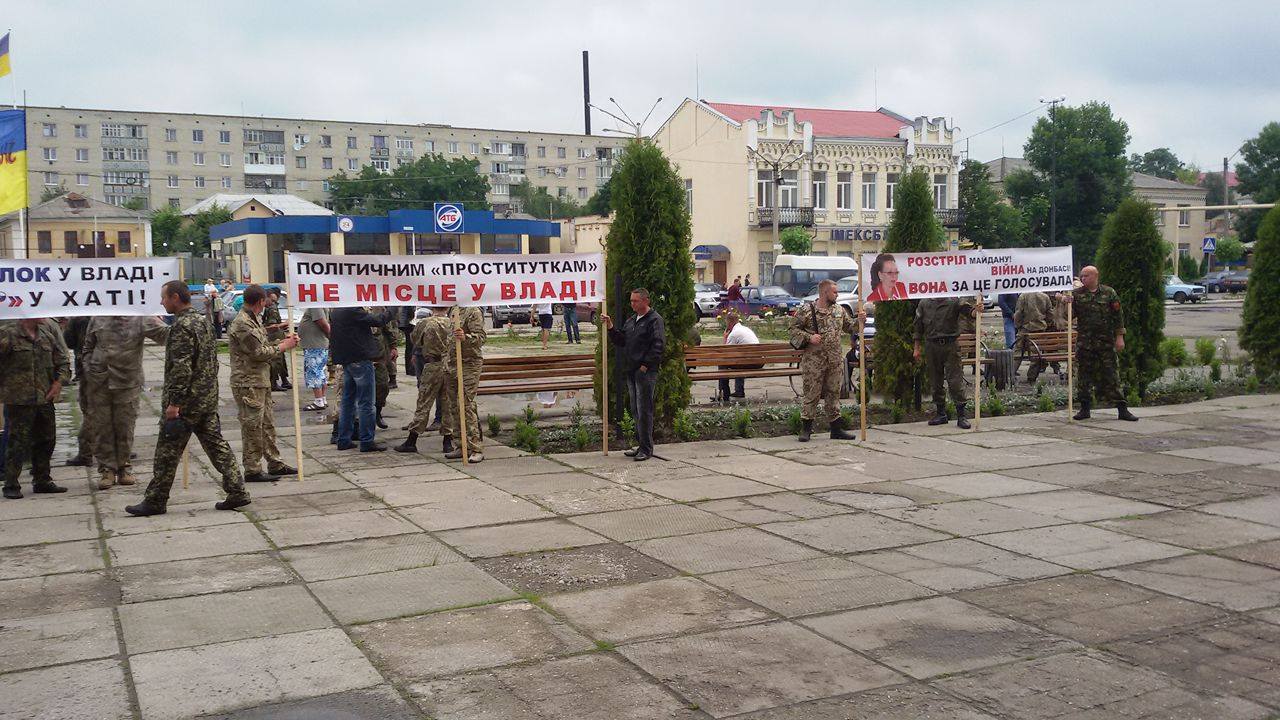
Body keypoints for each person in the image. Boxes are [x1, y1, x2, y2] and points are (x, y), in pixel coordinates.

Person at [128, 281, 250, 516]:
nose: (162, 302)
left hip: (186, 403)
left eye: (164, 298)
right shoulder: (202, 322)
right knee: (217, 446)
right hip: (206, 398)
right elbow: (210, 360)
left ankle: (155, 500)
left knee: (166, 452)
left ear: (175, 297)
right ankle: (237, 490)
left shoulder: (181, 326)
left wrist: (174, 403)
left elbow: (181, 368)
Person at [81, 315, 169, 489]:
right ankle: (107, 469)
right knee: (101, 426)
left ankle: (123, 468)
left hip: (128, 381)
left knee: (125, 426)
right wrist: (89, 369)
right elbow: (87, 347)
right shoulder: (98, 318)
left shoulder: (140, 318)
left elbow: (167, 336)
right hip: (100, 382)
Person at [228, 285, 300, 482]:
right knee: (252, 426)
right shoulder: (242, 323)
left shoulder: (254, 319)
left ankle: (274, 463)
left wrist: (281, 341)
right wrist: (284, 347)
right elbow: (258, 353)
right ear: (261, 301)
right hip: (247, 383)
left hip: (260, 381)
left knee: (267, 424)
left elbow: (263, 345)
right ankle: (252, 469)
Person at [0, 317, 71, 499]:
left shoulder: (46, 335)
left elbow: (62, 361)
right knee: (17, 442)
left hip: (44, 397)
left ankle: (42, 480)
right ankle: (11, 484)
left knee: (47, 439)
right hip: (19, 399)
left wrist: (58, 383)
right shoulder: (8, 333)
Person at [789, 279, 860, 442]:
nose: (837, 294)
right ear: (824, 292)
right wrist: (809, 337)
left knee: (833, 394)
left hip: (834, 360)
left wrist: (860, 321)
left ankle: (836, 429)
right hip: (814, 361)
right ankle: (806, 428)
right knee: (811, 394)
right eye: (834, 292)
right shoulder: (807, 310)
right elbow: (792, 330)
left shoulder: (839, 310)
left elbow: (849, 327)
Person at [1065, 266, 1138, 422]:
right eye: (1081, 276)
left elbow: (1118, 316)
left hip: (1105, 342)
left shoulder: (1108, 293)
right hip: (1085, 343)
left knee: (1112, 375)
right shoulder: (1077, 295)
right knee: (1084, 376)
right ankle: (1084, 409)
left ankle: (1122, 409)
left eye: (1085, 276)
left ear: (1095, 276)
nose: (1082, 278)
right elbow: (1067, 318)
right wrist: (1066, 304)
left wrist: (1120, 337)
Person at [602, 289, 665, 461]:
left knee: (644, 410)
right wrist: (610, 327)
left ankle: (646, 448)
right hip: (631, 371)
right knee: (636, 410)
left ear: (646, 301)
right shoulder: (631, 321)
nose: (632, 304)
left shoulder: (654, 320)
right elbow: (621, 340)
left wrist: (645, 366)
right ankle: (640, 445)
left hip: (645, 373)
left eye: (636, 301)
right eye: (631, 301)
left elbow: (658, 346)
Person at [914, 296, 983, 428]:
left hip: (950, 345)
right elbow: (918, 326)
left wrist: (977, 311)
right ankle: (941, 413)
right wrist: (916, 348)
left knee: (955, 380)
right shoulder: (924, 303)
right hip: (931, 345)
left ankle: (961, 415)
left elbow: (969, 312)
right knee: (935, 381)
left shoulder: (953, 301)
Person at [330, 306, 390, 452]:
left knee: (348, 401)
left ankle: (343, 439)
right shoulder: (352, 309)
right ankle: (367, 440)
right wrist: (392, 310)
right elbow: (378, 320)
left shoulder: (337, 310)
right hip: (360, 358)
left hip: (347, 358)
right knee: (367, 403)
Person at [396, 307, 453, 454]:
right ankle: (448, 441)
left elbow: (415, 339)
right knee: (447, 403)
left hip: (432, 364)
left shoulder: (425, 323)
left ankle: (412, 439)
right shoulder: (452, 322)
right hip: (449, 365)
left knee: (424, 402)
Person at [442, 305, 485, 463]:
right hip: (451, 364)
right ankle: (461, 445)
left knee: (466, 404)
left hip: (469, 363)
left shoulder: (472, 310)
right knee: (454, 406)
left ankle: (475, 447)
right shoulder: (453, 310)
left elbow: (481, 337)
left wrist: (466, 337)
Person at [61, 316, 94, 466]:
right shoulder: (110, 312)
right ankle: (118, 449)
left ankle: (85, 452)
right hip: (112, 370)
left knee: (90, 413)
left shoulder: (78, 317)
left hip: (88, 371)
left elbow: (68, 341)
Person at [718, 309, 759, 401]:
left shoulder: (734, 334)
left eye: (726, 322)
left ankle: (724, 393)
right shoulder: (746, 329)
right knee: (739, 361)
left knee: (722, 363)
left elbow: (725, 353)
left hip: (749, 363)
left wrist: (725, 337)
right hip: (759, 362)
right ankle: (739, 391)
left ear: (729, 322)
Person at [1013, 291, 1053, 382]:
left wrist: (1018, 325)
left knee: (1018, 353)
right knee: (1036, 355)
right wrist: (1046, 323)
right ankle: (1032, 377)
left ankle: (1010, 374)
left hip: (1025, 328)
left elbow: (1018, 313)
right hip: (1039, 329)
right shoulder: (1045, 297)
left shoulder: (1023, 296)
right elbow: (1050, 314)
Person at [298, 306, 331, 411]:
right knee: (321, 372)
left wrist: (331, 336)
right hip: (317, 344)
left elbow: (321, 322)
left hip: (314, 345)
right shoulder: (319, 305)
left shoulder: (315, 306)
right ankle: (322, 399)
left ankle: (318, 401)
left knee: (314, 372)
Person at [373, 313, 401, 429]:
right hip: (360, 355)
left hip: (379, 355)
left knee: (382, 386)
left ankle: (377, 412)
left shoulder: (378, 308)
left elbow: (388, 329)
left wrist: (393, 346)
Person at [264, 288, 291, 392]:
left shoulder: (272, 306)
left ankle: (284, 379)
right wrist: (283, 324)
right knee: (276, 360)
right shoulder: (272, 308)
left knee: (281, 360)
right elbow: (272, 325)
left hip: (277, 335)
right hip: (274, 337)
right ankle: (274, 382)